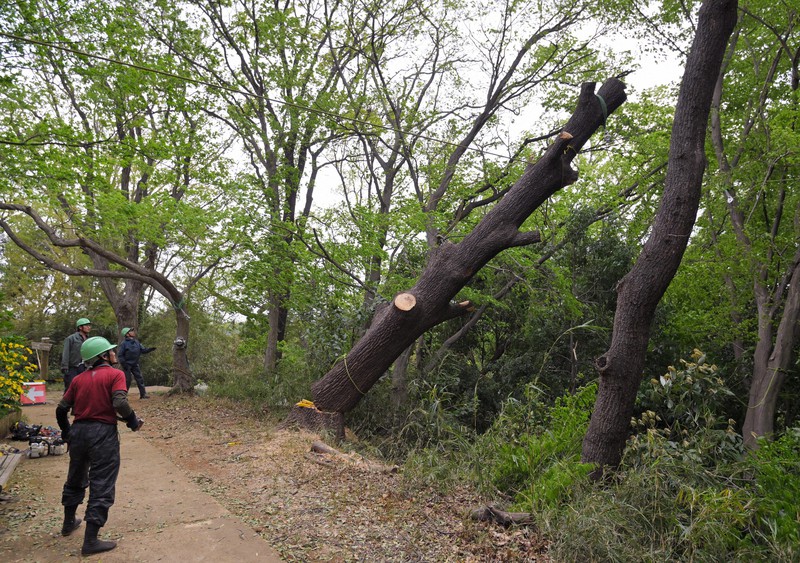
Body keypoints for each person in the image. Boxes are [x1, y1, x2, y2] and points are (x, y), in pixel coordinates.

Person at [55, 336, 143, 556]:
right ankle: (91, 541)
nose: (114, 354)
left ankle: (68, 523)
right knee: (102, 482)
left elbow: (61, 409)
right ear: (103, 356)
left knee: (75, 477)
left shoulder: (78, 380)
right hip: (102, 434)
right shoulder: (116, 375)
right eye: (111, 351)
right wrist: (132, 421)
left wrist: (67, 432)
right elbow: (120, 402)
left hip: (79, 432)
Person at [118, 327, 156, 399]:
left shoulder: (136, 342)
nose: (133, 332)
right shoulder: (124, 344)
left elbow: (143, 350)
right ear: (127, 334)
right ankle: (124, 396)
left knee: (139, 379)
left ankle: (143, 394)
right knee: (127, 380)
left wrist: (150, 349)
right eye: (131, 331)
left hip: (135, 364)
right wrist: (124, 364)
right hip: (127, 365)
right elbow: (120, 355)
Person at [60, 317, 92, 391]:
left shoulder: (89, 340)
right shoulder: (71, 338)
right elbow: (66, 353)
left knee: (84, 388)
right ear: (80, 327)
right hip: (73, 368)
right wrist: (65, 367)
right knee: (70, 388)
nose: (89, 327)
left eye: (89, 325)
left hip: (85, 367)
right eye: (86, 325)